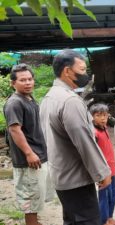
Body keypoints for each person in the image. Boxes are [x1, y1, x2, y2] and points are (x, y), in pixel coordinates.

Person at [39, 49, 111, 225]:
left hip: (61, 175)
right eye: (82, 69)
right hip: (77, 179)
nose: (86, 74)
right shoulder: (69, 101)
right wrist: (102, 172)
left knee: (72, 221)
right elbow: (84, 141)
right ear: (67, 71)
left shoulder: (49, 97)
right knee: (88, 221)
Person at [4, 63, 52, 225]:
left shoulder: (29, 98)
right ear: (13, 83)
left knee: (37, 194)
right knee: (30, 197)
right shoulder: (15, 103)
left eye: (30, 79)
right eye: (22, 80)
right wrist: (29, 153)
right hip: (28, 159)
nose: (28, 83)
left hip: (38, 155)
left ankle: (35, 221)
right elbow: (14, 130)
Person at [89, 103, 115, 225]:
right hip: (103, 171)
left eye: (105, 115)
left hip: (111, 169)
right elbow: (93, 154)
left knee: (114, 194)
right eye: (98, 115)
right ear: (92, 117)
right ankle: (103, 221)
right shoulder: (95, 133)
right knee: (104, 196)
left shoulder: (104, 128)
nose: (103, 118)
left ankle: (110, 217)